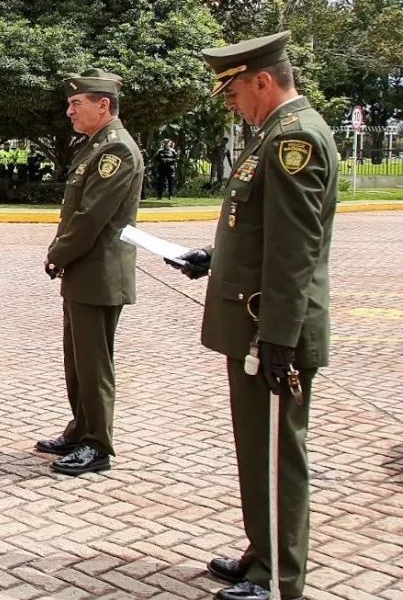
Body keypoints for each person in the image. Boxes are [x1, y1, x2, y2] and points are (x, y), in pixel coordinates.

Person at [172, 32, 335, 600]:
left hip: (272, 329)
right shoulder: (270, 136)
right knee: (256, 449)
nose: (232, 104)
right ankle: (261, 551)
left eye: (235, 92)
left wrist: (278, 339)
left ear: (263, 81)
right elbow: (261, 230)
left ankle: (279, 578)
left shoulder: (295, 139)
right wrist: (213, 259)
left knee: (277, 455)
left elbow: (295, 250)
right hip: (256, 321)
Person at [37, 69, 143, 477]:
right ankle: (80, 429)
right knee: (78, 360)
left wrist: (58, 253)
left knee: (94, 362)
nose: (69, 111)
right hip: (85, 270)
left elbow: (90, 217)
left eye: (76, 103)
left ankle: (97, 444)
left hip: (99, 272)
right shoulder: (97, 146)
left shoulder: (116, 150)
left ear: (103, 105)